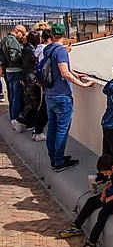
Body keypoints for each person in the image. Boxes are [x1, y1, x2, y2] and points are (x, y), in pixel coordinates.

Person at [44, 23, 95, 172]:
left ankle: (53, 158)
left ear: (52, 35)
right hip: (62, 96)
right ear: (64, 34)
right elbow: (64, 72)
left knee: (52, 128)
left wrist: (74, 73)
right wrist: (83, 84)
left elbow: (55, 68)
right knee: (62, 130)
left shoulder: (48, 49)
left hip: (49, 94)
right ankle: (59, 162)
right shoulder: (60, 51)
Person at [58, 154, 113, 247]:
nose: (105, 174)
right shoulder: (112, 169)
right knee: (91, 201)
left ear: (112, 167)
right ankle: (77, 226)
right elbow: (111, 183)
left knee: (103, 213)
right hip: (110, 194)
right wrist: (104, 191)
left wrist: (110, 198)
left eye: (105, 172)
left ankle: (91, 243)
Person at [0, 24, 26, 128]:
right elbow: (14, 57)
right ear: (17, 31)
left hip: (8, 71)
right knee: (17, 96)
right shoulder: (13, 41)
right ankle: (15, 119)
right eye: (22, 33)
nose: (22, 36)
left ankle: (12, 116)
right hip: (15, 71)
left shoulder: (4, 40)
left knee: (11, 95)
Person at [15, 30, 41, 132]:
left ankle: (29, 123)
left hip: (25, 77)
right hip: (30, 79)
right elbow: (37, 60)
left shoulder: (26, 47)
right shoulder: (31, 50)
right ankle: (20, 119)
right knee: (34, 102)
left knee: (28, 101)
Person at [31, 29, 52, 141]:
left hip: (42, 80)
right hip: (47, 82)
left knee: (43, 106)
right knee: (44, 108)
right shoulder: (46, 49)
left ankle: (37, 130)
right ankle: (38, 131)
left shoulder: (38, 49)